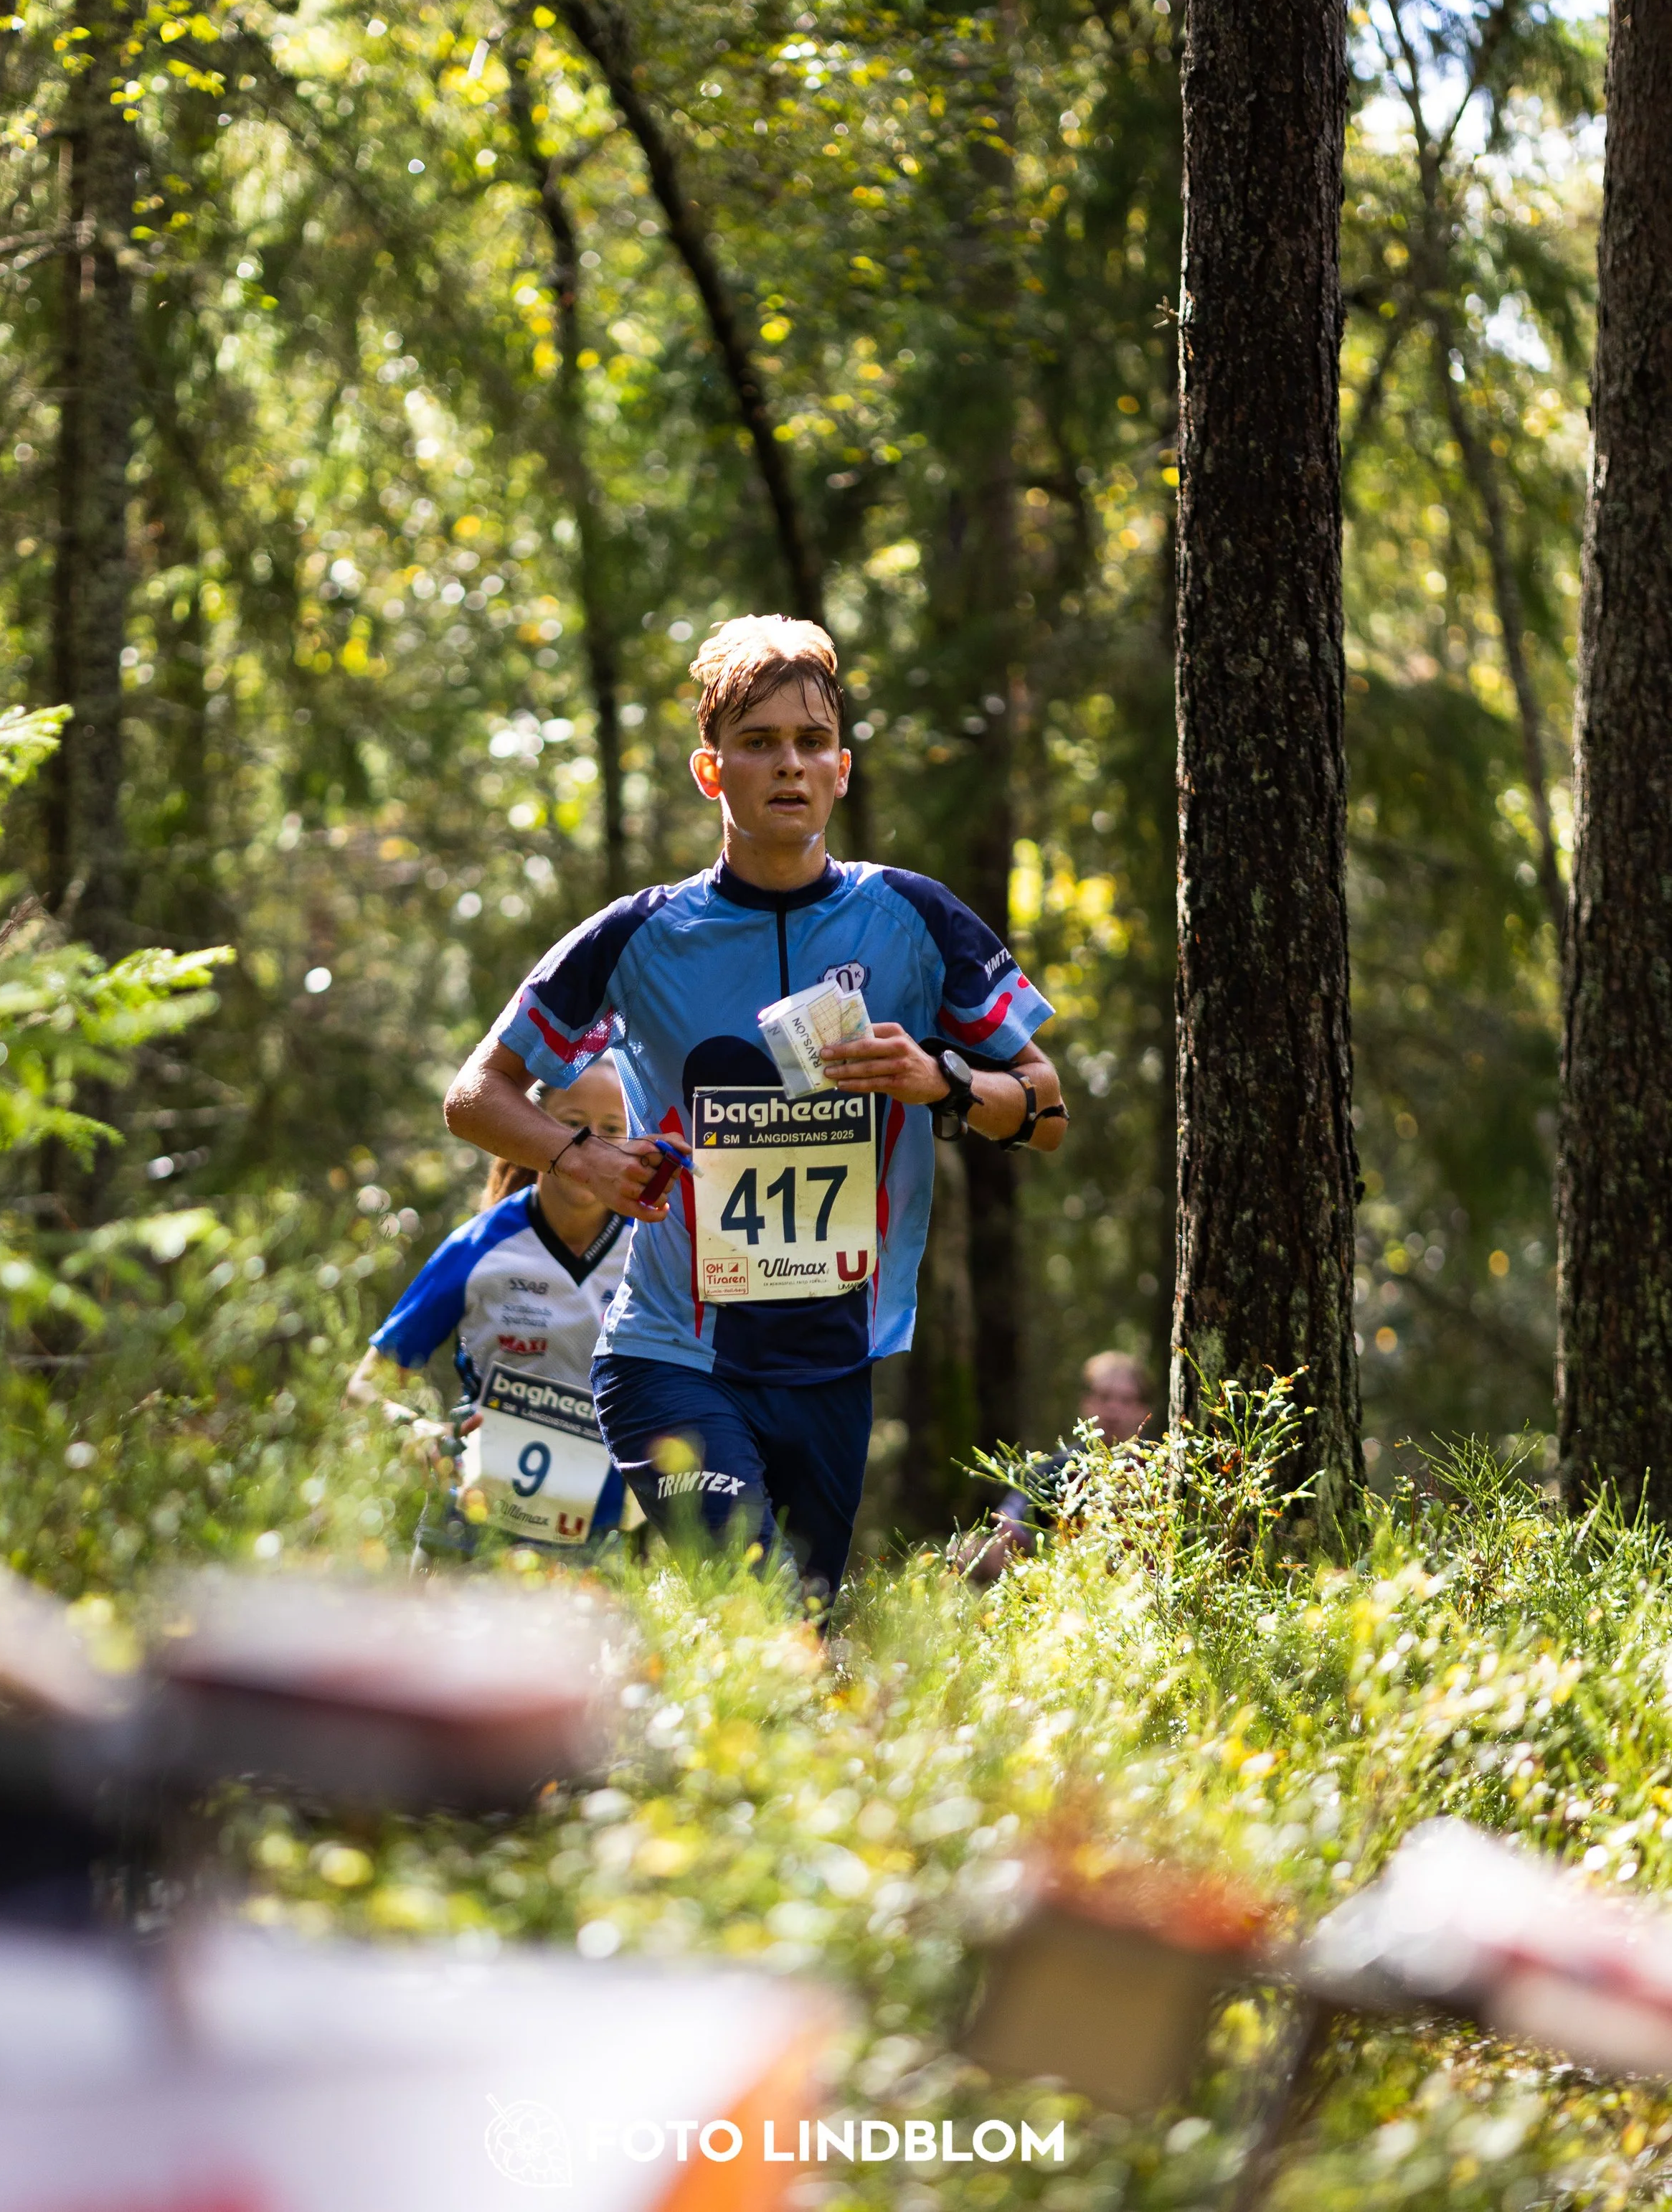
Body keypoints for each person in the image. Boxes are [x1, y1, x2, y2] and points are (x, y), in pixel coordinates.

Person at [442, 613, 1068, 1609]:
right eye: (760, 742)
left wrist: (941, 1083)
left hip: (835, 1357)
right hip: (669, 1351)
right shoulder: (641, 935)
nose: (789, 765)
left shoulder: (912, 918)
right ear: (711, 770)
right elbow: (474, 1097)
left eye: (811, 743)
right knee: (752, 1592)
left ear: (843, 770)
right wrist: (579, 1156)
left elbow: (1045, 1108)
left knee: (803, 1625)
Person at [346, 1057, 633, 1563]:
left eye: (613, 1129)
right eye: (572, 1124)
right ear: (534, 1127)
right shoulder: (479, 1247)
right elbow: (364, 1388)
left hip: (600, 1553)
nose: (591, 1143)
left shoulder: (653, 1251)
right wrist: (419, 1432)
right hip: (466, 1541)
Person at [958, 1349, 1157, 1583]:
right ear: (1086, 1403)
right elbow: (1009, 1530)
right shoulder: (1061, 1466)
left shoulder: (1161, 1467)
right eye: (1104, 1397)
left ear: (1143, 1410)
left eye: (1126, 1400)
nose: (1113, 1409)